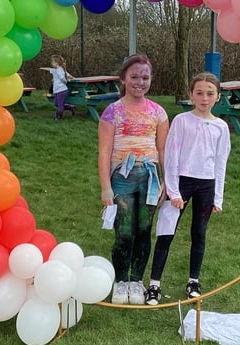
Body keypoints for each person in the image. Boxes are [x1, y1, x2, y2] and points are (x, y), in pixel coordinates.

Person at [145, 72, 231, 306]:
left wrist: (218, 197)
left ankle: (193, 280)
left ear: (218, 97)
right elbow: (171, 156)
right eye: (200, 93)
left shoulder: (221, 127)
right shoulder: (182, 121)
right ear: (191, 95)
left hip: (206, 185)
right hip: (182, 182)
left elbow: (221, 162)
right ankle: (154, 284)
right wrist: (173, 192)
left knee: (199, 233)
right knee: (166, 231)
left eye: (210, 94)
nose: (204, 98)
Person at [98, 54, 169, 305]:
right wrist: (106, 187)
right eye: (135, 77)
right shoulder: (112, 112)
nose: (140, 82)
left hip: (149, 179)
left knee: (143, 230)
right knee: (124, 232)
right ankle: (120, 280)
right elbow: (105, 151)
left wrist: (165, 182)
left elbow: (163, 151)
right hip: (122, 179)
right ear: (123, 79)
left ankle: (136, 281)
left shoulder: (158, 113)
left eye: (145, 77)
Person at [40, 54, 75, 120]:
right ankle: (70, 107)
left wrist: (67, 81)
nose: (51, 63)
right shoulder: (57, 69)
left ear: (56, 63)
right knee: (56, 103)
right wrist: (42, 68)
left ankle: (58, 116)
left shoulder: (59, 71)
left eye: (52, 62)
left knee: (60, 105)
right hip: (57, 90)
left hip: (61, 90)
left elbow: (63, 78)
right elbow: (50, 69)